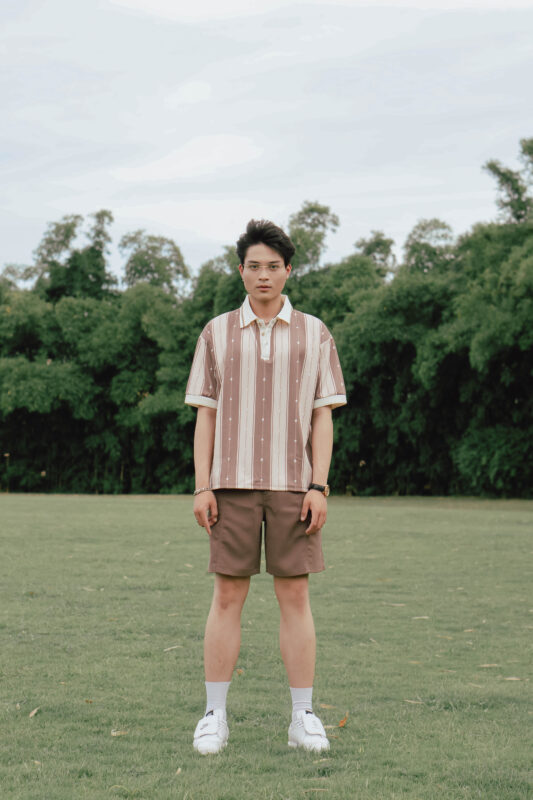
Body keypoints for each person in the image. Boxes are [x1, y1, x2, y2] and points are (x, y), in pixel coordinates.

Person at [184, 218, 346, 755]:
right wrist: (202, 486)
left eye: (273, 266)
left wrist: (319, 485)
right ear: (241, 271)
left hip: (294, 487)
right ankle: (214, 715)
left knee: (295, 596)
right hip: (229, 484)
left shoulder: (315, 332)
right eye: (253, 266)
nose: (263, 275)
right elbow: (205, 414)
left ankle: (303, 717)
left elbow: (323, 415)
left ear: (288, 270)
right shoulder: (216, 332)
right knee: (227, 595)